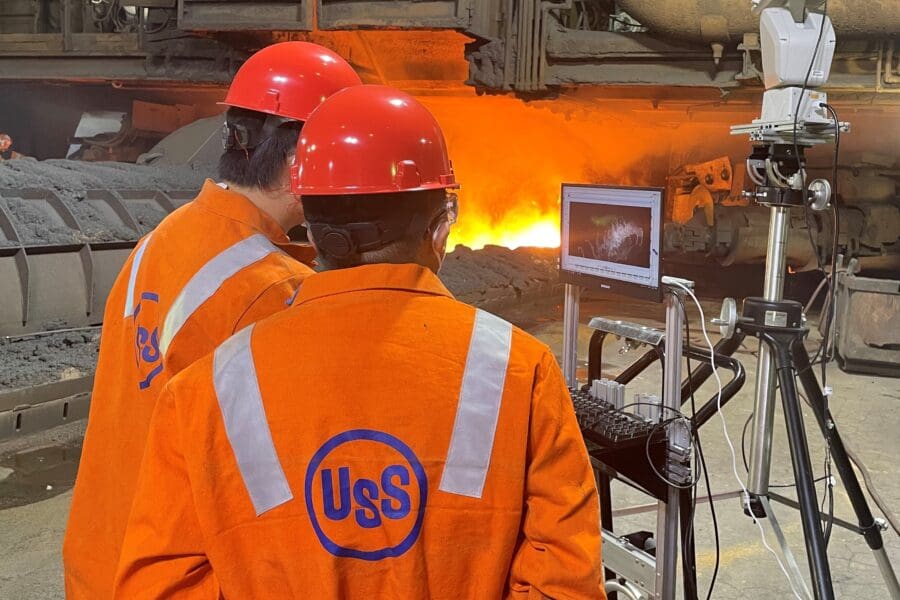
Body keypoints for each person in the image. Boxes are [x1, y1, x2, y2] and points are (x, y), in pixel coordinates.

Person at [113, 85, 604, 599]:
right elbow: (566, 584)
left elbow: (159, 587)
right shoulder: (522, 372)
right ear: (440, 233)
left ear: (311, 223)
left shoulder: (204, 392)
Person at [63, 41, 362, 600]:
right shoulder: (271, 291)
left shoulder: (162, 240)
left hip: (102, 561)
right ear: (299, 157)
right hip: (183, 578)